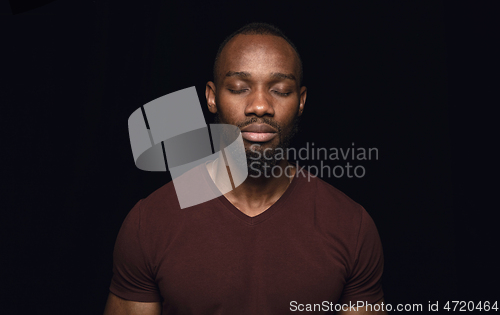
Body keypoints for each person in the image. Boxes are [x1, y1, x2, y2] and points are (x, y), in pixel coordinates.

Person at [103, 22, 387, 315]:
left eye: (280, 90)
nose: (260, 106)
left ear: (301, 102)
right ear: (212, 98)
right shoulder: (150, 222)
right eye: (239, 89)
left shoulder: (351, 226)